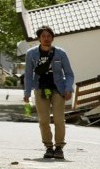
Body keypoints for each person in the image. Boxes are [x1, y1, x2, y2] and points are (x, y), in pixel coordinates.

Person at [23, 26, 75, 159]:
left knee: (59, 119)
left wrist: (68, 88)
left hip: (58, 89)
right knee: (43, 120)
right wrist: (27, 93)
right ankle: (48, 147)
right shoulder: (31, 53)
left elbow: (69, 74)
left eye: (48, 36)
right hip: (40, 88)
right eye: (43, 36)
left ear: (52, 38)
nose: (46, 39)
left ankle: (59, 147)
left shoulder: (60, 53)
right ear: (39, 38)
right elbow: (28, 75)